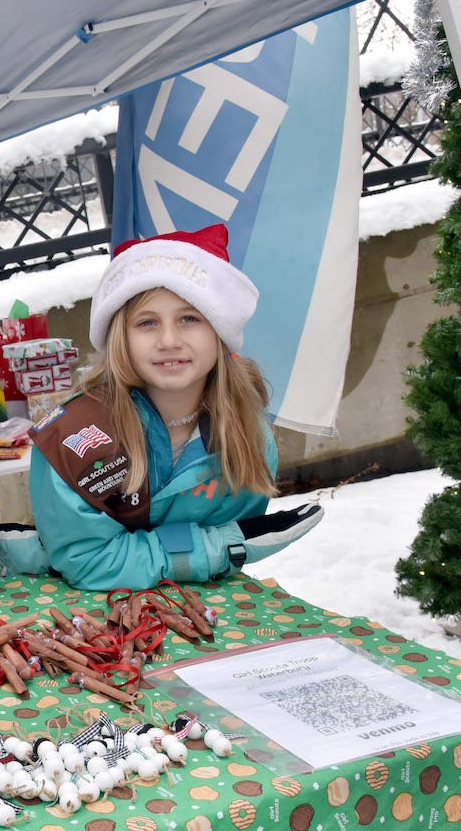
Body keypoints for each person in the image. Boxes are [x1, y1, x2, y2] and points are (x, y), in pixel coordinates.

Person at [27, 224, 323, 592]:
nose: (169, 340)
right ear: (120, 337)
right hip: (92, 620)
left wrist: (211, 552)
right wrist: (214, 549)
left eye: (190, 319)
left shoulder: (248, 435)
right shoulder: (74, 438)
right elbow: (89, 562)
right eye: (147, 323)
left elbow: (226, 561)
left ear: (220, 330)